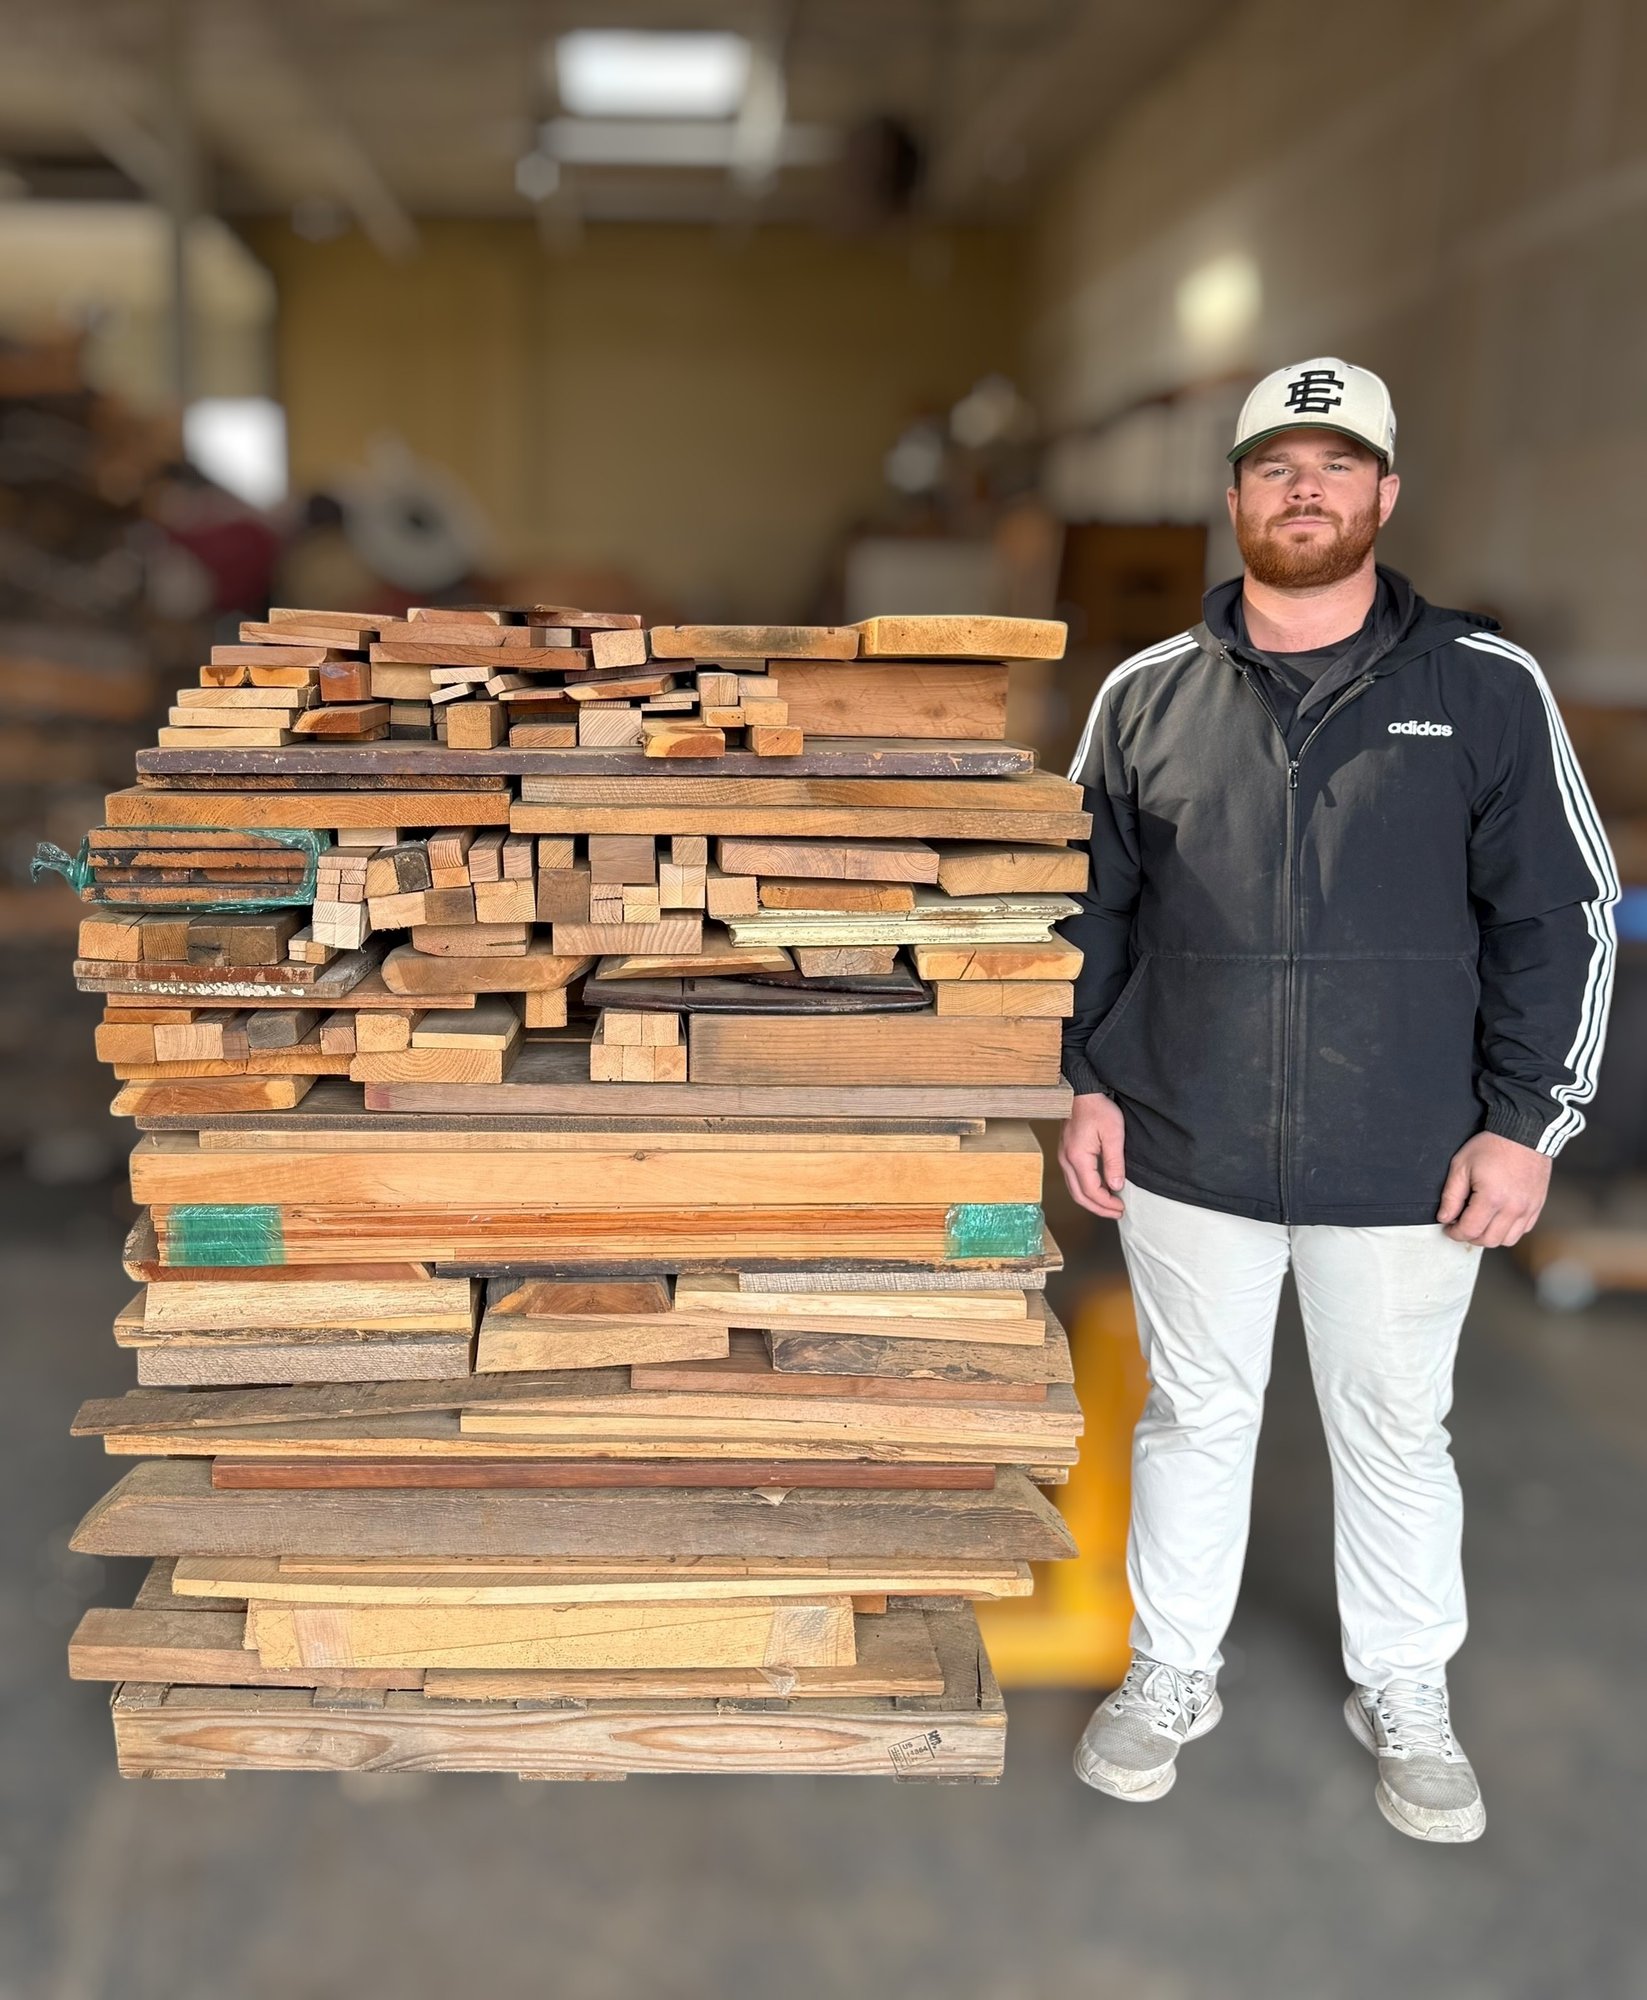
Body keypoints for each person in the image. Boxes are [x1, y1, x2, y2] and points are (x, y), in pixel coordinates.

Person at [1056, 358, 1618, 1843]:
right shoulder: (1143, 696)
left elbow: (1560, 915)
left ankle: (1406, 1688)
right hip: (1185, 1137)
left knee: (1393, 1427)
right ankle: (1173, 1670)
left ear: (1384, 494)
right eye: (1276, 465)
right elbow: (1084, 910)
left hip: (1409, 1153)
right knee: (1194, 1416)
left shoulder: (1484, 687)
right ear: (1236, 496)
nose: (1305, 490)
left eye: (1336, 464)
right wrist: (1084, 1080)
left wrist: (1528, 1124)